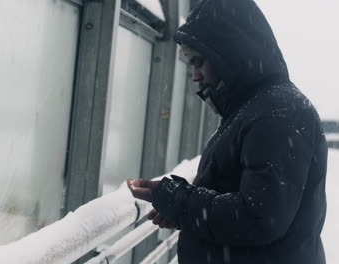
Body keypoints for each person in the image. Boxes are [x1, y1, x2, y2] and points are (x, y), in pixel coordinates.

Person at [127, 0, 328, 263]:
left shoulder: (277, 113)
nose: (195, 76)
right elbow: (243, 198)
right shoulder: (259, 108)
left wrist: (179, 201)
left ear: (229, 54)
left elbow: (257, 218)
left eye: (199, 62)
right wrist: (181, 209)